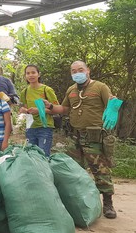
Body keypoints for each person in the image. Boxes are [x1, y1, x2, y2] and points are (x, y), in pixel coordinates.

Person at [46, 60, 116, 218]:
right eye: (73, 71)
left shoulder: (100, 87)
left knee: (100, 170)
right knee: (75, 170)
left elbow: (111, 102)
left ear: (87, 70)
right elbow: (64, 109)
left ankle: (108, 204)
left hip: (94, 136)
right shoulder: (71, 90)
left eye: (80, 70)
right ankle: (80, 202)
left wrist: (113, 106)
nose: (77, 73)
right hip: (75, 135)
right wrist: (50, 106)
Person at [18, 64, 59, 156]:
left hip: (45, 127)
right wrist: (24, 110)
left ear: (38, 74)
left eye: (33, 72)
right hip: (31, 127)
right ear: (25, 76)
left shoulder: (46, 90)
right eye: (28, 73)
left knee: (43, 156)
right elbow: (25, 108)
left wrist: (40, 110)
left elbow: (57, 109)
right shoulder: (24, 92)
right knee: (32, 156)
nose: (31, 75)